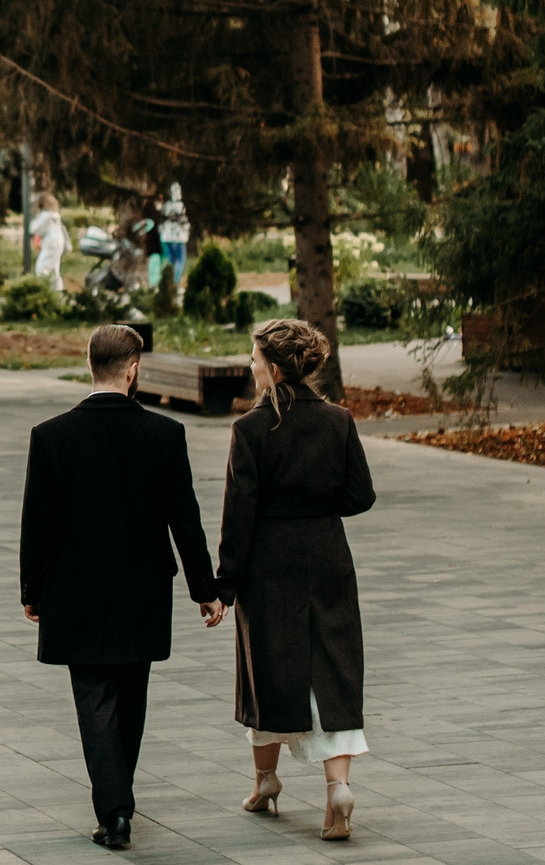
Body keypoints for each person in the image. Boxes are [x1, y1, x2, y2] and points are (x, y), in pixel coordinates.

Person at [20, 324, 225, 851]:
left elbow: (35, 523)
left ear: (91, 364)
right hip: (143, 590)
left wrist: (32, 590)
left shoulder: (51, 436)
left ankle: (115, 811)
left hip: (75, 590)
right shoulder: (163, 434)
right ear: (133, 369)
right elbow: (185, 518)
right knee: (131, 698)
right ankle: (118, 803)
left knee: (94, 699)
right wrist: (207, 589)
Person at [217, 318, 377, 842]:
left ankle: (266, 781)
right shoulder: (338, 420)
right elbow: (360, 497)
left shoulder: (249, 430)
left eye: (256, 358)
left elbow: (238, 517)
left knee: (267, 672)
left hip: (269, 568)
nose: (251, 365)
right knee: (333, 669)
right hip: (328, 559)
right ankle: (338, 789)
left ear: (276, 368)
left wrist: (224, 585)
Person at [30, 194, 71, 280]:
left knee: (41, 268)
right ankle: (57, 291)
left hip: (50, 244)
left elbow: (34, 229)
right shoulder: (55, 216)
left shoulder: (45, 215)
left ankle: (42, 289)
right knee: (54, 271)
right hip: (58, 244)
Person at [158, 183, 189, 283]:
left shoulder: (166, 206)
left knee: (170, 261)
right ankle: (174, 283)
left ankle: (168, 282)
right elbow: (183, 221)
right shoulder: (179, 205)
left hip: (167, 237)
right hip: (177, 237)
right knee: (179, 261)